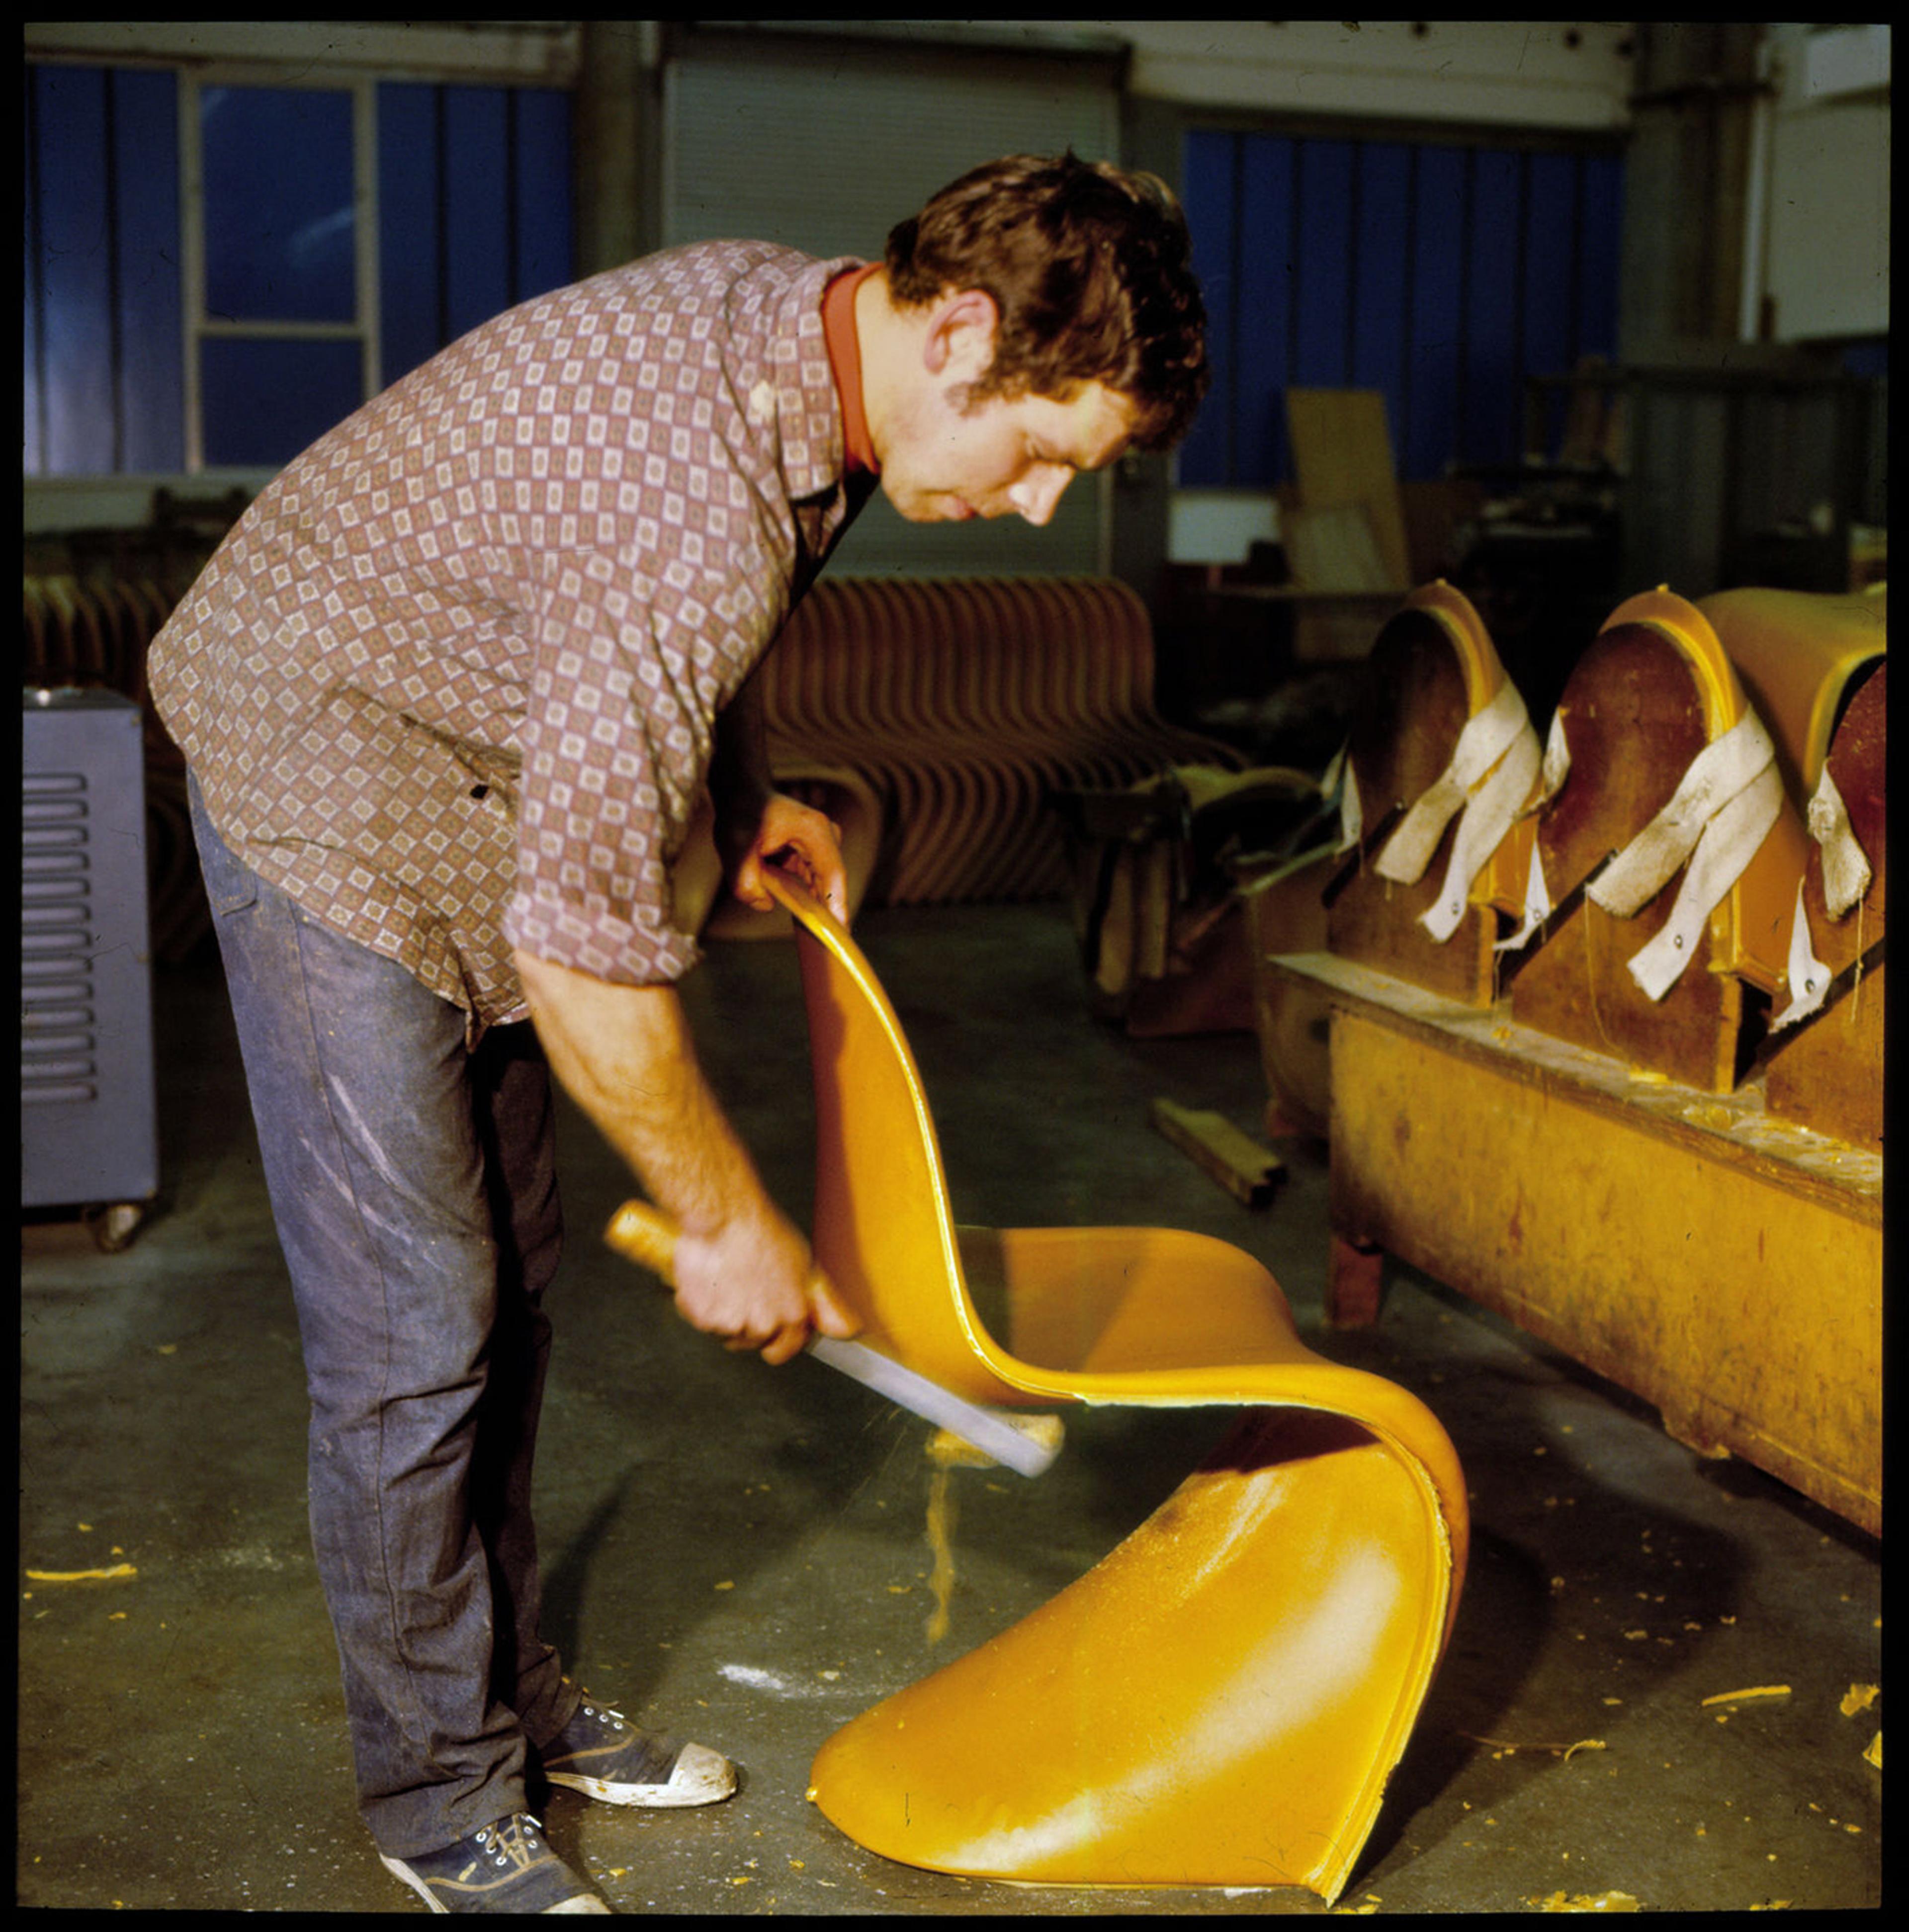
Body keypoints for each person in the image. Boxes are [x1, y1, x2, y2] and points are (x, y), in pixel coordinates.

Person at [148, 150, 1208, 1914]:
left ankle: (504, 1694)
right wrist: (725, 1216)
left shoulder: (817, 351)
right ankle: (436, 1794)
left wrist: (738, 796)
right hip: (319, 765)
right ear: (962, 334)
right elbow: (585, 957)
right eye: (1042, 456)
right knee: (416, 1327)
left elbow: (692, 641)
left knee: (516, 1280)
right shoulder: (684, 481)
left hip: (477, 761)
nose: (1039, 510)